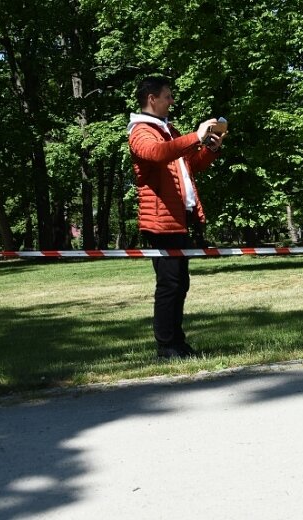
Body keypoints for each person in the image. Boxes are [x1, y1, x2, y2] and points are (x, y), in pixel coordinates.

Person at [127, 76, 226, 359]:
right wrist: (195, 136)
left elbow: (191, 165)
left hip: (177, 218)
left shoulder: (168, 130)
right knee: (170, 284)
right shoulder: (141, 132)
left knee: (180, 282)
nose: (172, 101)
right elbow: (157, 154)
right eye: (168, 96)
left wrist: (210, 146)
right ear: (152, 99)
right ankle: (167, 347)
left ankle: (177, 343)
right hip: (160, 220)